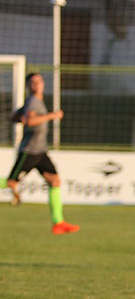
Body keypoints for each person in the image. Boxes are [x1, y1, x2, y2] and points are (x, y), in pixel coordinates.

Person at [1, 73, 79, 234]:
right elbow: (30, 121)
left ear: (43, 84)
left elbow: (15, 117)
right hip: (29, 151)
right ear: (28, 85)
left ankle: (58, 223)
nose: (37, 84)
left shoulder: (33, 101)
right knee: (11, 182)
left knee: (55, 181)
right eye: (33, 82)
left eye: (39, 81)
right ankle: (58, 222)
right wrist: (52, 115)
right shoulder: (33, 102)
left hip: (41, 151)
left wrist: (21, 117)